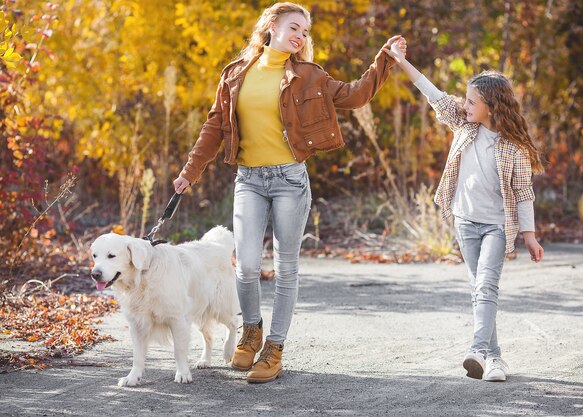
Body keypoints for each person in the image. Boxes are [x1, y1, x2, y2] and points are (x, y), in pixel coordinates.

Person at [173, 2, 400, 383]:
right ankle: (252, 330)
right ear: (271, 25)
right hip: (249, 180)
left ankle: (274, 348)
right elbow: (214, 127)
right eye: (295, 27)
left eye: (305, 32)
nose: (300, 36)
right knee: (245, 266)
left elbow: (357, 95)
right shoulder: (235, 74)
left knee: (285, 267)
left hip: (290, 181)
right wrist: (189, 173)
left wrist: (384, 60)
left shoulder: (309, 76)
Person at [385, 38, 544, 381]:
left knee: (486, 285)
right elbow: (434, 94)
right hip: (465, 222)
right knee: (479, 289)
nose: (466, 104)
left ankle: (476, 349)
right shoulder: (464, 125)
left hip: (497, 226)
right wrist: (400, 61)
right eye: (467, 100)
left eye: (472, 101)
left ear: (492, 106)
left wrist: (529, 235)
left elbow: (523, 191)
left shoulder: (513, 146)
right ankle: (495, 359)